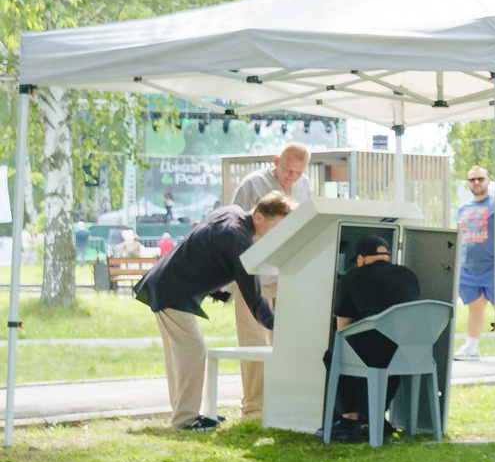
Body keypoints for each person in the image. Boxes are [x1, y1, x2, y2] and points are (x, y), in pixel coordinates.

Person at [133, 193, 293, 430]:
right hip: (173, 291)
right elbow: (254, 297)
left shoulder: (232, 212)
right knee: (193, 351)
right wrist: (281, 327)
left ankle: (185, 413)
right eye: (276, 226)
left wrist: (218, 292)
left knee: (181, 354)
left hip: (166, 284)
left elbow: (207, 250)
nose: (277, 234)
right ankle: (186, 419)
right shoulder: (238, 238)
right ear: (259, 217)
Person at [223, 142, 311, 421]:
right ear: (276, 162)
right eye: (288, 171)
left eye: (298, 172)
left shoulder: (305, 185)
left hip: (287, 272)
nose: (292, 178)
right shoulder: (252, 183)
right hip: (253, 272)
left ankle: (283, 399)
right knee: (252, 340)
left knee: (286, 339)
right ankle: (253, 406)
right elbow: (234, 224)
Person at [325, 234, 424, 440]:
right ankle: (376, 415)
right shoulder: (409, 275)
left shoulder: (352, 278)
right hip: (409, 350)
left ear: (360, 258)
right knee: (387, 355)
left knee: (336, 354)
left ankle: (349, 418)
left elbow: (342, 329)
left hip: (374, 352)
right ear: (388, 256)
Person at [455, 165, 495, 356]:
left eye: (480, 179)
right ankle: (471, 347)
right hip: (469, 267)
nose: (476, 182)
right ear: (468, 183)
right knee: (475, 307)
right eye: (472, 179)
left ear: (488, 180)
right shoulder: (463, 208)